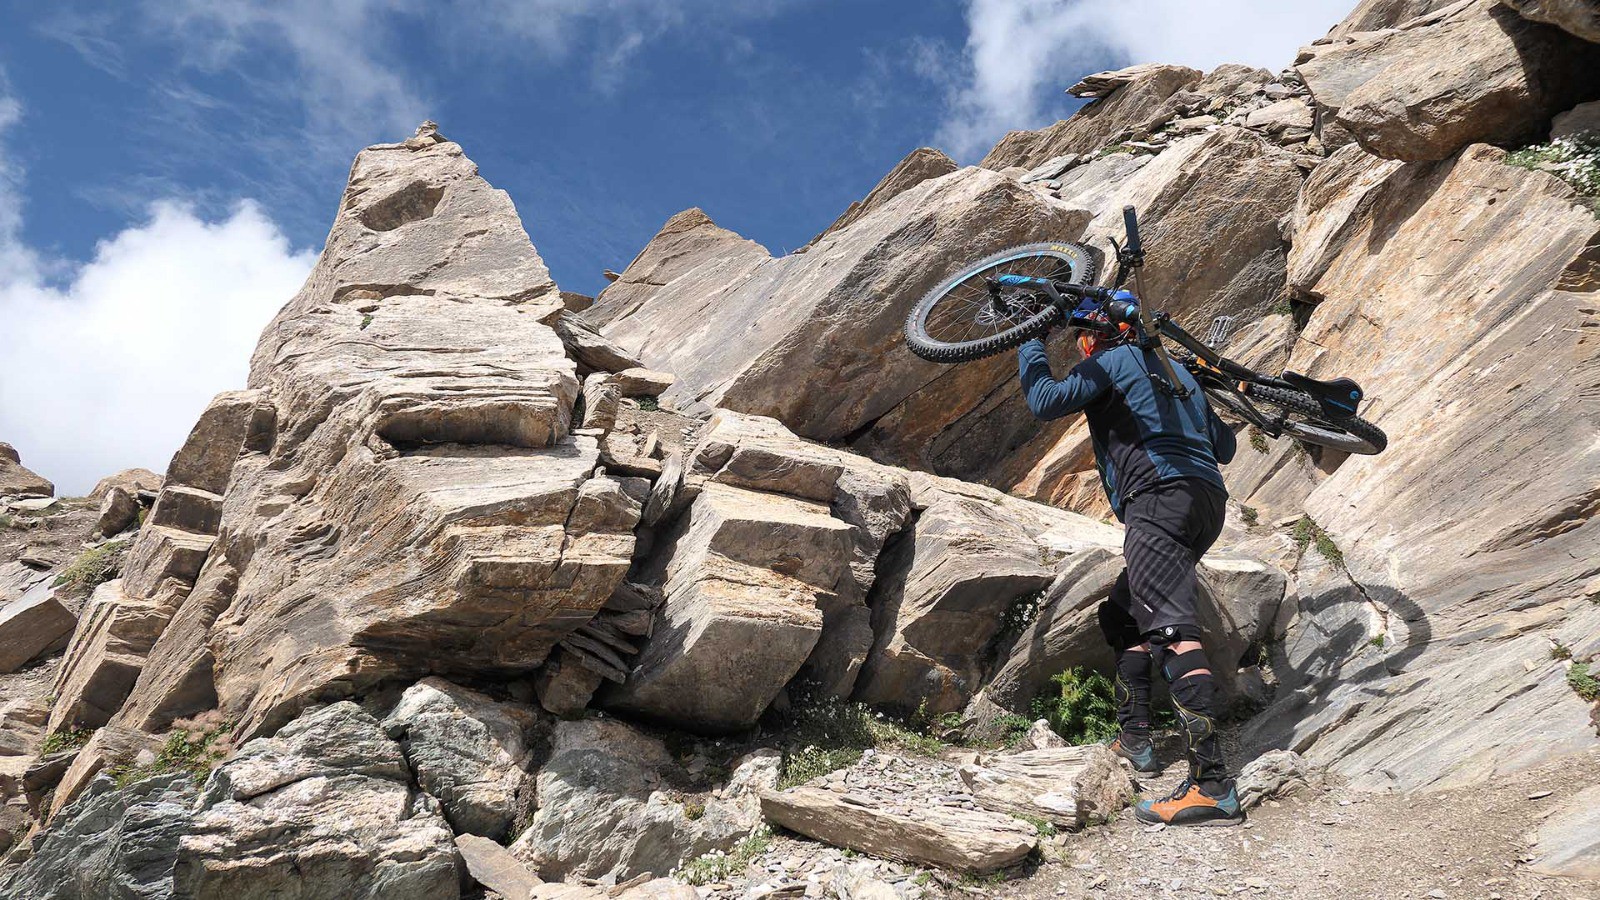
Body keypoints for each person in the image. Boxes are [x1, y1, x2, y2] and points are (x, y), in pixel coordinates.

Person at [1017, 297, 1242, 827]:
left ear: (1097, 337)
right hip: (1205, 501)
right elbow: (1226, 446)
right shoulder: (1176, 370)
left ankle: (1213, 786)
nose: (1081, 350)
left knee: (1170, 630)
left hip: (1158, 499)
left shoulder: (1113, 360)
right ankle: (1136, 740)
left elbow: (1046, 399)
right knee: (1123, 614)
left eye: (1082, 343)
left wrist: (1028, 337)